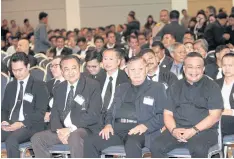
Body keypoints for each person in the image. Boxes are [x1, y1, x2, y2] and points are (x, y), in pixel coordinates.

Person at [84, 55, 168, 158]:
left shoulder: (157, 87)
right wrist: (108, 125)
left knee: (132, 143)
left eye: (140, 69)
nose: (136, 73)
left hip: (140, 131)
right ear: (127, 72)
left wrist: (145, 126)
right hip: (117, 130)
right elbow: (110, 111)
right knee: (90, 141)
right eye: (132, 69)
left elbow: (163, 114)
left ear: (146, 69)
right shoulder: (121, 88)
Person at [150, 52, 223, 158]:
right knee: (156, 146)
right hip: (178, 129)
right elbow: (168, 113)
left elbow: (215, 116)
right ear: (184, 69)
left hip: (204, 131)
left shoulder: (212, 87)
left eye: (198, 67)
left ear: (203, 69)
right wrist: (173, 130)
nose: (194, 71)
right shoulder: (175, 86)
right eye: (190, 67)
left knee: (198, 148)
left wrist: (194, 130)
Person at [31, 55, 102, 158]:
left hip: (85, 129)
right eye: (66, 69)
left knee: (75, 136)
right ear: (62, 72)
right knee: (37, 138)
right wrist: (60, 131)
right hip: (63, 130)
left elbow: (93, 114)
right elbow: (54, 114)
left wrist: (70, 129)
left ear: (79, 68)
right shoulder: (59, 88)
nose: (70, 72)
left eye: (74, 68)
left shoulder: (92, 85)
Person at [1, 52, 49, 158]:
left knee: (11, 140)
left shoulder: (39, 85)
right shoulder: (10, 86)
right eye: (14, 70)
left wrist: (21, 123)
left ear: (27, 66)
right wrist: (4, 121)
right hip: (10, 124)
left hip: (30, 125)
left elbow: (40, 113)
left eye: (20, 70)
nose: (17, 73)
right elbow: (4, 109)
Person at [215, 53, 234, 137]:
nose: (227, 68)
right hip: (216, 117)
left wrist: (231, 112)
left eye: (230, 65)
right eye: (224, 65)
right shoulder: (215, 84)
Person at [44, 56, 65, 126]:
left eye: (56, 66)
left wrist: (52, 114)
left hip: (61, 121)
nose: (52, 69)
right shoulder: (48, 84)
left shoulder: (69, 84)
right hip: (45, 120)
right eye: (51, 66)